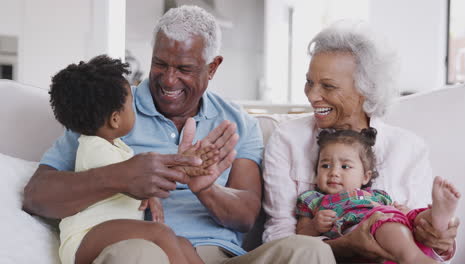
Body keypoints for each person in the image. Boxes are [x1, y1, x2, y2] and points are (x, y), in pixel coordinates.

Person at [23, 5, 331, 264]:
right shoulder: (109, 109)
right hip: (142, 252)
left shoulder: (237, 122)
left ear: (212, 67)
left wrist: (205, 188)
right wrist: (122, 175)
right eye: (160, 64)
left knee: (310, 251)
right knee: (138, 254)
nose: (169, 80)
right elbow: (38, 196)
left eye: (184, 68)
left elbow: (246, 216)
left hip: (217, 255)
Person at [262, 20, 460, 262]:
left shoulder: (409, 149)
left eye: (328, 86)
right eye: (309, 82)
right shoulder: (287, 139)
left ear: (365, 89)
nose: (312, 96)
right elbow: (280, 238)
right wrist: (344, 245)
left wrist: (438, 237)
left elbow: (418, 231)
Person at [48, 54, 219, 264]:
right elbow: (132, 176)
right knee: (161, 233)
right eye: (131, 104)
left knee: (181, 243)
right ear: (115, 119)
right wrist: (172, 168)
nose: (135, 109)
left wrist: (153, 193)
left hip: (105, 234)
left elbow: (135, 179)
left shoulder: (117, 146)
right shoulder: (94, 148)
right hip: (85, 237)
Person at [296, 128, 460, 264]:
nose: (334, 172)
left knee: (413, 217)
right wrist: (314, 226)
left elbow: (396, 213)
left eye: (345, 166)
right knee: (383, 222)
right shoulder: (312, 199)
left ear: (365, 177)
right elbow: (299, 237)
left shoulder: (378, 196)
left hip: (394, 224)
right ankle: (415, 258)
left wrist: (403, 211)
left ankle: (438, 217)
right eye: (325, 165)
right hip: (361, 230)